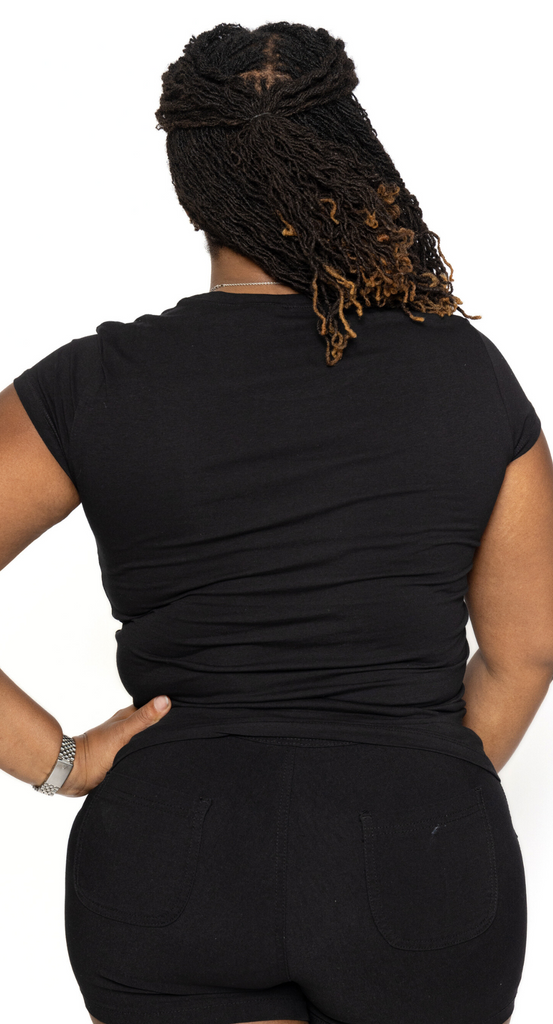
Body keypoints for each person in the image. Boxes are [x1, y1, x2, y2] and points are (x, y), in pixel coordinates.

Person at [1, 19, 552, 1024]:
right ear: (349, 155)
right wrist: (411, 782)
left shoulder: (94, 384)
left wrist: (58, 758)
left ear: (190, 184)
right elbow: (528, 651)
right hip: (420, 857)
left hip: (171, 857)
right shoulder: (467, 376)